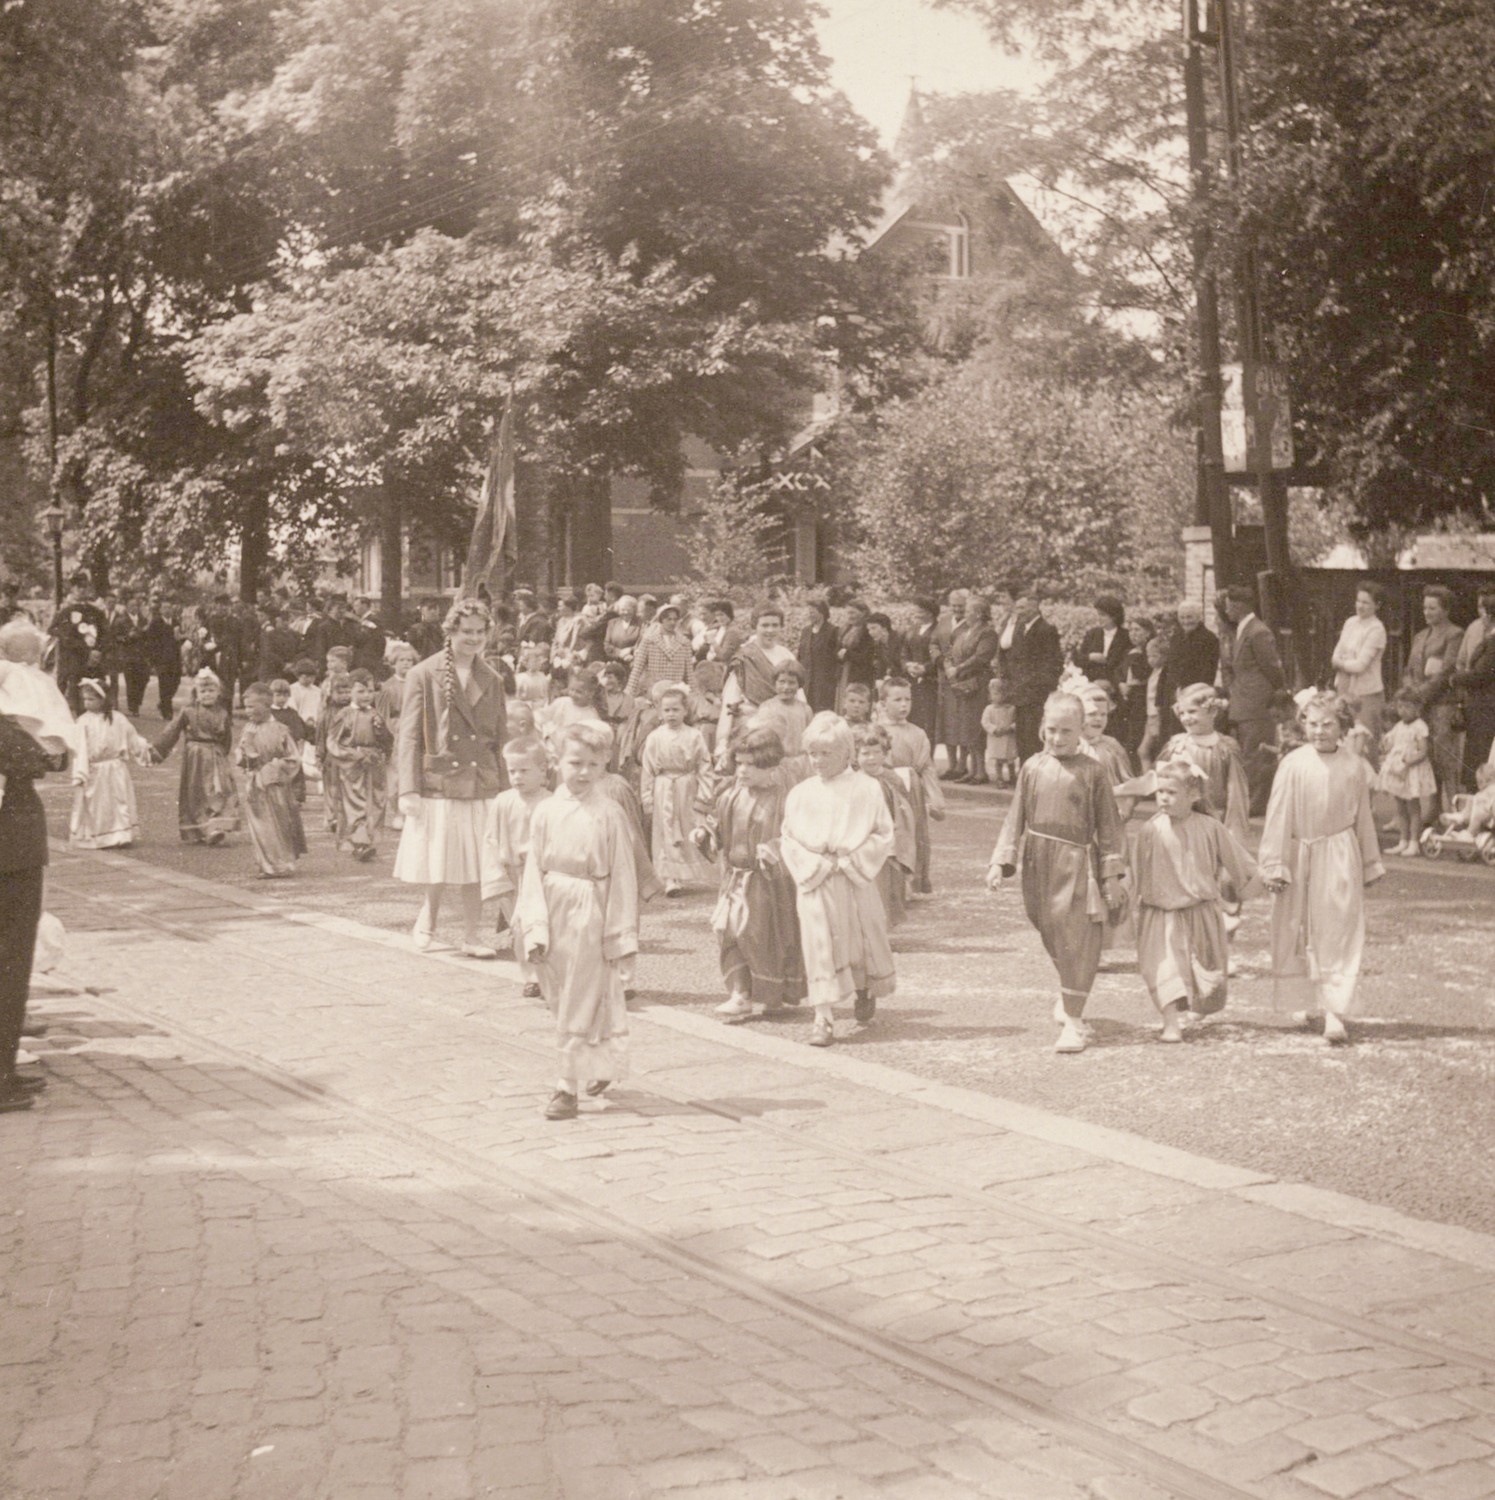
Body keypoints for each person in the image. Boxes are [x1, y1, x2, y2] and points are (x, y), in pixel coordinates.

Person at [986, 692, 1128, 1055]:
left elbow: (1110, 827)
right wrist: (1000, 861)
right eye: (1051, 729)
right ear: (1041, 728)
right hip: (1037, 861)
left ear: (1081, 729)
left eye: (1066, 730)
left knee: (1076, 938)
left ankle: (1074, 1022)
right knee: (1049, 929)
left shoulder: (1093, 771)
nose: (1058, 738)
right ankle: (1069, 992)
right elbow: (1015, 816)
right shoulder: (1032, 767)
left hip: (1077, 863)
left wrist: (1112, 875)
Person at [515, 720, 641, 1120]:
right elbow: (533, 869)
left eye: (592, 764)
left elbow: (623, 875)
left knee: (580, 996)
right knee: (559, 995)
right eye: (575, 763)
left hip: (591, 907)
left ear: (604, 765)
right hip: (552, 904)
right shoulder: (545, 811)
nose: (583, 772)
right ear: (557, 762)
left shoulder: (609, 814)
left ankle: (565, 1086)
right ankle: (599, 1062)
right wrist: (534, 926)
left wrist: (619, 935)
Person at [1259, 690, 1384, 1046]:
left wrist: (1369, 863)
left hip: (1339, 853)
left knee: (1337, 928)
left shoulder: (1354, 766)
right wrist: (1275, 862)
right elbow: (1278, 814)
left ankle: (1334, 1010)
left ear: (1342, 726)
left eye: (1327, 724)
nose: (1319, 731)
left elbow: (1363, 817)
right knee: (1295, 928)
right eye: (1312, 724)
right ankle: (1300, 998)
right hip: (1298, 851)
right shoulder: (1293, 763)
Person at [394, 597, 508, 957]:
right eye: (466, 632)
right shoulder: (423, 673)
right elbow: (409, 735)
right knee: (439, 861)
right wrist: (408, 788)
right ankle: (428, 919)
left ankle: (472, 936)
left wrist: (507, 791)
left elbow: (501, 738)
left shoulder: (492, 678)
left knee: (477, 864)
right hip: (441, 781)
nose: (473, 639)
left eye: (480, 632)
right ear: (451, 632)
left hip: (481, 780)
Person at [780, 712, 896, 1047]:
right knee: (819, 944)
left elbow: (883, 833)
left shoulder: (867, 788)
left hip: (853, 877)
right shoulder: (801, 793)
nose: (817, 761)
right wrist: (815, 864)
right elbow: (788, 838)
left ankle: (864, 987)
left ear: (846, 753)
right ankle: (823, 1017)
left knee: (860, 938)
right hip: (816, 878)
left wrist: (849, 862)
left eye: (825, 753)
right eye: (812, 753)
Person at [1133, 758, 1259, 1042]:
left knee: (1207, 979)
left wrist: (1261, 880)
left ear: (1193, 795)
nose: (1164, 798)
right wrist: (1126, 903)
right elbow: (1137, 871)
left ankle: (1198, 1006)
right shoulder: (1150, 830)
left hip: (1199, 912)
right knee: (1162, 969)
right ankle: (1170, 1023)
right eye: (1160, 791)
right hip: (1160, 913)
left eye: (1172, 792)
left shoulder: (1211, 828)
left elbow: (1238, 862)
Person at [693, 726, 808, 1024]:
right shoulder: (730, 795)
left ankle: (772, 995)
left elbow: (796, 836)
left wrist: (775, 848)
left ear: (770, 765)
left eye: (751, 764)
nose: (742, 770)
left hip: (767, 882)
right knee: (730, 931)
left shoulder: (785, 799)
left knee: (762, 937)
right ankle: (740, 994)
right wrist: (705, 834)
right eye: (739, 762)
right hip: (735, 877)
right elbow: (717, 825)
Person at [1, 667, 69, 1112]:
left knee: (12, 965)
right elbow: (45, 757)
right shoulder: (7, 725)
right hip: (11, 856)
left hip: (15, 852)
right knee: (10, 962)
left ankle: (5, 1069)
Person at [482, 737, 551, 997]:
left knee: (542, 923)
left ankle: (548, 975)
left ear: (542, 770)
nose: (517, 777)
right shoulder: (503, 801)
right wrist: (496, 877)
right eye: (512, 771)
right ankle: (530, 976)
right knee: (520, 926)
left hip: (541, 875)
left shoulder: (550, 802)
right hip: (512, 874)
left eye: (524, 770)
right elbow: (491, 839)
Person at [639, 682, 712, 896]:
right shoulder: (655, 737)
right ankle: (670, 878)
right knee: (665, 829)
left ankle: (684, 872)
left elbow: (704, 766)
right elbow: (648, 770)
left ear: (685, 711)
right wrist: (647, 798)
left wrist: (704, 795)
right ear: (660, 712)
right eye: (667, 710)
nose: (671, 714)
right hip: (663, 788)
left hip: (686, 787)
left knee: (686, 828)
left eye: (676, 709)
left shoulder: (694, 735)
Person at [1219, 584, 1286, 816]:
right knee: (1248, 752)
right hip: (1245, 701)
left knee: (1256, 753)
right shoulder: (1243, 629)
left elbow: (1273, 668)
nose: (1226, 611)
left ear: (1240, 606)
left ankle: (1256, 803)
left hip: (1257, 702)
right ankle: (1250, 800)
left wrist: (1274, 693)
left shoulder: (1258, 632)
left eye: (1229, 606)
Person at [153, 667, 240, 845]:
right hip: (195, 756)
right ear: (196, 693)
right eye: (203, 691)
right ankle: (200, 828)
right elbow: (172, 730)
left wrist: (223, 755)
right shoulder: (188, 711)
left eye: (211, 690)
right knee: (196, 793)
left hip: (216, 756)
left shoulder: (223, 713)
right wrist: (158, 749)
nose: (207, 694)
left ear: (218, 692)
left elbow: (227, 738)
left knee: (217, 790)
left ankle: (215, 826)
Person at [1156, 683, 1251, 842]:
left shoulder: (1225, 748)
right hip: (1177, 822)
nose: (1186, 718)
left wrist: (1233, 832)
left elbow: (1236, 791)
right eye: (1182, 713)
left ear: (1212, 712)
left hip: (1213, 822)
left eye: (1192, 711)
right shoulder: (1176, 746)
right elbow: (1159, 780)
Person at [69, 679, 153, 849]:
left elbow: (132, 737)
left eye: (91, 699)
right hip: (95, 769)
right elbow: (80, 748)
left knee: (118, 801)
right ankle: (100, 836)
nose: (86, 703)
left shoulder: (118, 718)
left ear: (103, 699)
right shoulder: (83, 721)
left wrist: (145, 750)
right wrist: (80, 772)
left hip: (115, 768)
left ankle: (120, 835)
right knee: (99, 805)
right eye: (85, 699)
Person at [879, 675, 944, 894]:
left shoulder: (918, 733)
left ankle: (913, 882)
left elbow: (927, 768)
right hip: (887, 791)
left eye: (907, 699)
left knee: (914, 834)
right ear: (883, 703)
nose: (904, 705)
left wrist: (936, 800)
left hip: (912, 792)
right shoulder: (877, 731)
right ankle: (890, 884)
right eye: (897, 700)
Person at [234, 682, 306, 878]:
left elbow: (293, 758)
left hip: (275, 785)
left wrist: (273, 769)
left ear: (266, 705)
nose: (248, 711)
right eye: (246, 707)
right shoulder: (248, 729)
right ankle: (268, 864)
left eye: (252, 707)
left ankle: (282, 862)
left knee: (280, 824)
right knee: (261, 826)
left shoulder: (281, 729)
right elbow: (242, 757)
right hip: (256, 785)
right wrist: (246, 750)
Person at [326, 669, 394, 862]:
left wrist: (381, 733)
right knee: (356, 801)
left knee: (376, 801)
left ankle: (369, 840)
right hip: (353, 764)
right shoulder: (344, 715)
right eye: (361, 691)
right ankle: (359, 842)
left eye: (370, 691)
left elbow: (388, 741)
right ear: (351, 692)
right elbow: (332, 742)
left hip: (374, 762)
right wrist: (352, 754)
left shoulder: (375, 714)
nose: (366, 696)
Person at [717, 606, 798, 763]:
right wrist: (723, 740)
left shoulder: (786, 655)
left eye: (775, 625)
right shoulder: (745, 657)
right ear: (755, 626)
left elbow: (798, 693)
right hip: (752, 725)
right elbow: (730, 701)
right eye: (765, 625)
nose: (770, 630)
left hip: (783, 725)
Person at [854, 723, 916, 928]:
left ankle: (884, 931)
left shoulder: (892, 779)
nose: (871, 758)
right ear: (855, 755)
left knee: (889, 888)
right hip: (864, 842)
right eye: (865, 753)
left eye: (877, 752)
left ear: (885, 753)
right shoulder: (853, 781)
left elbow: (904, 811)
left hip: (890, 842)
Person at [997, 594, 1064, 766]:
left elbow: (1053, 663)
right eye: (1017, 608)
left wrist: (1035, 684)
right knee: (1022, 737)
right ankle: (1025, 771)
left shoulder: (1046, 630)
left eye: (1022, 608)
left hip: (1036, 693)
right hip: (1020, 692)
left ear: (1034, 608)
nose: (1018, 612)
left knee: (1035, 736)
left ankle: (1037, 772)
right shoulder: (1020, 629)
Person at [944, 596, 1000, 782]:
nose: (965, 614)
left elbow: (981, 657)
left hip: (978, 683)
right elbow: (950, 652)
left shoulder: (987, 633)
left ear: (979, 614)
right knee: (967, 726)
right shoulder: (964, 632)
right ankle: (973, 770)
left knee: (976, 725)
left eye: (968, 611)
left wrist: (958, 668)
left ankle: (981, 771)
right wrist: (949, 667)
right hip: (963, 684)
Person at [1378, 691, 1436, 857]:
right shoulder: (1399, 726)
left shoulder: (1420, 726)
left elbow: (1423, 751)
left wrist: (1409, 761)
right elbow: (1392, 743)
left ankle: (1414, 842)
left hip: (1411, 771)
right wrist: (1385, 745)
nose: (1403, 711)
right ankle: (1403, 841)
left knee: (1413, 808)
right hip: (1399, 770)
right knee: (1400, 808)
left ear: (1417, 708)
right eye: (1400, 707)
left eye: (1407, 707)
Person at [1331, 583, 1389, 738]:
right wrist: (1341, 662)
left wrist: (1341, 663)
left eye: (1366, 602)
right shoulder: (1350, 622)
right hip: (1344, 689)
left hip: (1366, 693)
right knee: (1344, 737)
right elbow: (1336, 654)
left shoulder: (1377, 629)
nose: (1360, 606)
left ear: (1377, 605)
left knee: (1365, 739)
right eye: (1358, 601)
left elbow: (1360, 666)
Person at [1451, 589, 1495, 788]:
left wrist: (1455, 679)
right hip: (1480, 707)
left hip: (1486, 708)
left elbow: (1482, 674)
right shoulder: (1487, 638)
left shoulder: (1493, 642)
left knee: (1481, 756)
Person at [50, 570, 111, 714]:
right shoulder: (65, 611)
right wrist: (86, 651)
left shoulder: (96, 611)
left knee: (97, 700)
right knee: (77, 703)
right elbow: (59, 633)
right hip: (74, 664)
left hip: (94, 665)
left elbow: (106, 634)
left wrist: (98, 650)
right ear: (72, 589)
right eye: (78, 587)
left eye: (84, 586)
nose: (82, 590)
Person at [376, 643, 417, 828]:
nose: (406, 663)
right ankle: (397, 812)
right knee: (394, 777)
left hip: (414, 730)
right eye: (402, 660)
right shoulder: (388, 687)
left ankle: (407, 812)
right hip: (395, 732)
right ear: (394, 663)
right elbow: (382, 715)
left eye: (409, 660)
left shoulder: (417, 682)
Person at [625, 599, 692, 700]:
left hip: (676, 692)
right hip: (653, 691)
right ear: (661, 620)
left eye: (675, 619)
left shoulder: (684, 642)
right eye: (669, 619)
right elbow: (637, 669)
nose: (672, 622)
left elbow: (689, 674)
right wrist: (628, 693)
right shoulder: (649, 641)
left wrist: (694, 693)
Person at [750, 661, 813, 757]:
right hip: (775, 760)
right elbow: (761, 739)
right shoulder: (767, 707)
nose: (786, 687)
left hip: (799, 760)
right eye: (782, 682)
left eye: (792, 683)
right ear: (775, 683)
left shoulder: (805, 710)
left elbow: (810, 739)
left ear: (799, 685)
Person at [899, 598, 940, 740]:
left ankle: (927, 752)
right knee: (912, 718)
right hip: (911, 679)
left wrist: (925, 668)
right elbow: (904, 652)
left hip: (931, 680)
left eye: (920, 611)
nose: (916, 614)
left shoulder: (938, 630)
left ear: (930, 613)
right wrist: (907, 665)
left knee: (928, 721)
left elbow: (941, 654)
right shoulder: (912, 629)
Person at [1072, 595, 1132, 691]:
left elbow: (1124, 666)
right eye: (1098, 614)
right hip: (1089, 683)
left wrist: (1111, 683)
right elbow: (1077, 659)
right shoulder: (1092, 634)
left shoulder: (1126, 637)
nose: (1099, 618)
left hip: (1114, 686)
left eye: (1103, 615)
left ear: (1114, 616)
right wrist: (1091, 657)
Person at [795, 598, 840, 714]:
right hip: (807, 681)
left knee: (822, 712)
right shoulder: (806, 631)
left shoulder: (833, 631)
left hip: (824, 682)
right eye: (809, 612)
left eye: (812, 612)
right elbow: (800, 655)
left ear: (822, 613)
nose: (810, 615)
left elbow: (836, 658)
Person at [143, 597, 183, 719]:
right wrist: (153, 658)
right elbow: (150, 641)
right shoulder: (156, 622)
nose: (167, 610)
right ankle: (167, 711)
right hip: (161, 658)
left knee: (175, 681)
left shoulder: (176, 622)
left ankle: (164, 703)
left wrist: (182, 638)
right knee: (164, 683)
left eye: (169, 607)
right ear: (160, 610)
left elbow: (179, 639)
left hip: (175, 658)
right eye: (165, 608)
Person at [981, 678, 1018, 788]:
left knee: (1010, 759)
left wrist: (1011, 727)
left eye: (1001, 694)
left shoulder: (1011, 708)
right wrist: (994, 729)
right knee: (999, 760)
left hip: (1008, 736)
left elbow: (1016, 721)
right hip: (996, 737)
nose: (997, 697)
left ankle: (1012, 776)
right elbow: (985, 722)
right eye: (995, 694)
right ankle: (999, 778)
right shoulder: (989, 709)